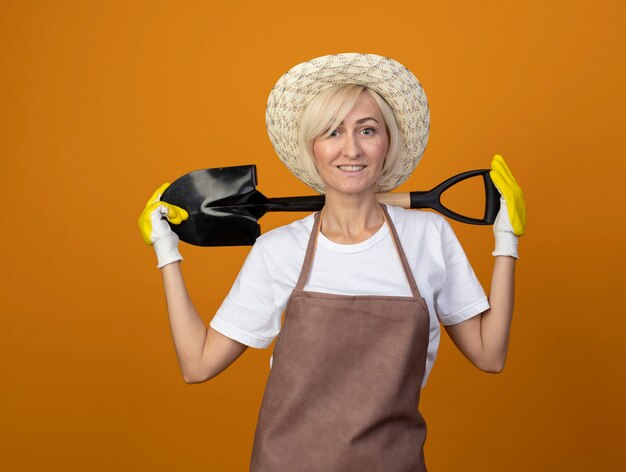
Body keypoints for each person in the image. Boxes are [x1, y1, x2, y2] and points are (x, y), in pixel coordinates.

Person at [138, 53, 526, 471]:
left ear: (387, 143)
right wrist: (167, 252)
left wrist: (506, 240)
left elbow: (490, 354)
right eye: (333, 132)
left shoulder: (427, 237)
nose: (351, 149)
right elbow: (197, 364)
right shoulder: (280, 250)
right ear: (313, 147)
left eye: (367, 130)